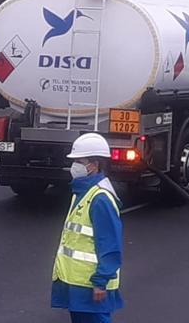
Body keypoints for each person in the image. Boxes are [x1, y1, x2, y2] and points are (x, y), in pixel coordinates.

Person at [52, 133, 123, 323]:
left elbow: (110, 243)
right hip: (78, 282)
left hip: (92, 283)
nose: (74, 166)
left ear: (94, 164)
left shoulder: (100, 198)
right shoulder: (81, 193)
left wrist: (101, 281)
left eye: (79, 161)